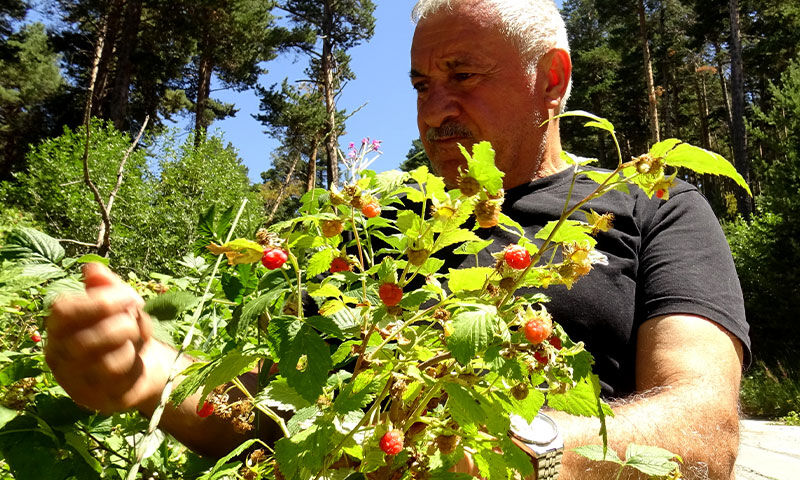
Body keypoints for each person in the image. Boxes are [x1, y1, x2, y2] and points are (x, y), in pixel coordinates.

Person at [46, 0, 750, 478]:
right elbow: (279, 412)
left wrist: (522, 453)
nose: (435, 107)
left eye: (462, 76)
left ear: (551, 81)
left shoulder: (651, 208)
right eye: (420, 83)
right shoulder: (381, 224)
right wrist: (156, 380)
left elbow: (705, 427)